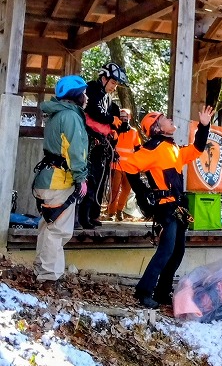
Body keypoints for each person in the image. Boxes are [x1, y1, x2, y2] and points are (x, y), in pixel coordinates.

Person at [122, 105, 214, 308]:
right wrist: (142, 192)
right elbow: (128, 165)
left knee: (177, 251)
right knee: (166, 250)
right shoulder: (152, 147)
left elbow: (197, 149)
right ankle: (144, 291)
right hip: (165, 208)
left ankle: (163, 291)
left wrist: (204, 126)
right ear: (156, 127)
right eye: (164, 118)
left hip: (178, 206)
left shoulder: (173, 148)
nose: (170, 119)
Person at [33, 75, 89, 288]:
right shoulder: (71, 117)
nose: (86, 97)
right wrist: (81, 178)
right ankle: (49, 278)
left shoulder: (56, 114)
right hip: (59, 181)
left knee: (47, 227)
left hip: (47, 178)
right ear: (76, 95)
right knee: (58, 230)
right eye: (83, 92)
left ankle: (41, 270)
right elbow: (75, 151)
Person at [79, 62, 128, 229]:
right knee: (90, 180)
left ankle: (94, 214)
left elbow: (114, 113)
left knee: (101, 179)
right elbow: (93, 110)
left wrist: (120, 124)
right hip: (90, 140)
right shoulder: (91, 89)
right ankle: (83, 217)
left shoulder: (108, 98)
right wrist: (110, 119)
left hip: (103, 144)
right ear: (104, 78)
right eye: (113, 83)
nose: (114, 87)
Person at [106, 108, 141, 221]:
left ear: (129, 117)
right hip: (116, 165)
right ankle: (111, 213)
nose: (123, 118)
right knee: (115, 190)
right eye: (121, 116)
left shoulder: (134, 132)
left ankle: (120, 211)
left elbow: (138, 148)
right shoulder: (114, 130)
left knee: (126, 190)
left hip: (130, 167)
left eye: (125, 116)